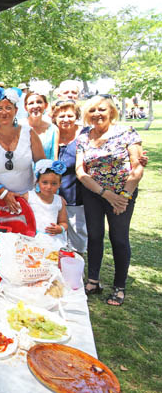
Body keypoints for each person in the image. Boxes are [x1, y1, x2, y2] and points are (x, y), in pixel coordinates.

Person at [75, 95, 144, 306]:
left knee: (119, 238)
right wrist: (105, 193)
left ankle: (119, 286)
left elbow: (137, 166)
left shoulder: (127, 133)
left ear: (111, 111)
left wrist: (123, 196)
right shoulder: (84, 135)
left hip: (123, 195)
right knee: (94, 236)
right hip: (94, 192)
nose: (97, 114)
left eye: (102, 110)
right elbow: (80, 169)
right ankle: (93, 281)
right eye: (93, 110)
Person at [0, 87, 45, 214]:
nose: (4, 112)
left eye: (8, 108)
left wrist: (39, 193)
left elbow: (42, 164)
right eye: (0, 108)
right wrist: (3, 193)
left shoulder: (29, 133)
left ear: (16, 110)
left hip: (28, 198)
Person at [52, 99, 87, 253]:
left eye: (69, 115)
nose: (66, 119)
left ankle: (77, 270)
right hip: (52, 195)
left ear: (76, 116)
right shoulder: (51, 135)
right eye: (61, 116)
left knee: (77, 236)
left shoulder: (85, 135)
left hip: (76, 196)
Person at [24, 159, 68, 246]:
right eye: (45, 182)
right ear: (37, 182)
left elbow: (64, 222)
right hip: (32, 238)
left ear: (60, 184)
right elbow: (15, 201)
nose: (49, 187)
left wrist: (61, 229)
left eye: (54, 183)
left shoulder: (59, 201)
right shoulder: (30, 197)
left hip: (52, 240)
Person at [24, 92, 57, 160]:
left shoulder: (53, 130)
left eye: (39, 102)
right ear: (25, 107)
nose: (35, 106)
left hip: (46, 169)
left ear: (46, 105)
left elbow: (54, 158)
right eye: (31, 103)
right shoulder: (17, 126)